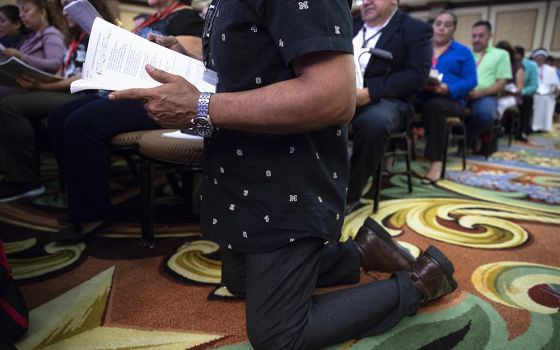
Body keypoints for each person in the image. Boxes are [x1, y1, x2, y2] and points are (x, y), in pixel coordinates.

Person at [110, 0, 458, 349]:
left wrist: (202, 107)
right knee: (240, 279)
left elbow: (333, 96)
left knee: (278, 335)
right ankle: (359, 252)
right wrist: (193, 51)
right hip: (244, 159)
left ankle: (422, 281)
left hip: (288, 173)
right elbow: (259, 46)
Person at [48, 0, 204, 240]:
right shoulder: (158, 17)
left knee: (82, 124)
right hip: (135, 88)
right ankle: (79, 200)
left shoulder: (186, 17)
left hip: (159, 96)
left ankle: (93, 213)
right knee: (60, 116)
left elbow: (190, 67)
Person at [0, 0, 116, 203]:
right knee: (12, 103)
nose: (65, 12)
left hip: (83, 95)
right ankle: (16, 172)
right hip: (68, 90)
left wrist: (42, 87)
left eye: (70, 5)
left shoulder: (96, 35)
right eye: (63, 6)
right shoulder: (74, 38)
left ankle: (24, 180)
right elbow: (64, 73)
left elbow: (84, 78)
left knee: (9, 106)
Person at [346, 0, 432, 212]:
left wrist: (370, 92)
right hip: (343, 96)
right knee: (309, 112)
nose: (365, 2)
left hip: (388, 101)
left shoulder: (415, 30)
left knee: (374, 123)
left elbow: (416, 76)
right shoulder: (349, 24)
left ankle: (350, 195)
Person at [414, 10, 477, 183]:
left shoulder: (463, 52)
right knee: (401, 101)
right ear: (433, 26)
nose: (441, 28)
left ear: (453, 29)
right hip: (422, 93)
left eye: (447, 25)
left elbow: (472, 80)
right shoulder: (422, 47)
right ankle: (394, 150)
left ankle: (436, 161)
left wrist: (449, 88)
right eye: (438, 24)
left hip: (451, 99)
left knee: (434, 107)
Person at [0, 0, 66, 96]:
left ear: (42, 12)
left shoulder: (51, 34)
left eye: (26, 10)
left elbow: (56, 63)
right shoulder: (30, 37)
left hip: (35, 89)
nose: (21, 15)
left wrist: (21, 56)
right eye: (20, 12)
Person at [467, 21, 512, 152]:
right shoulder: (466, 53)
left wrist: (480, 93)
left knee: (485, 114)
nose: (476, 39)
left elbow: (502, 82)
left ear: (490, 36)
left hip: (485, 95)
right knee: (440, 108)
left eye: (481, 36)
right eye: (474, 36)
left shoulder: (501, 54)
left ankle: (466, 140)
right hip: (463, 92)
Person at [531, 48, 560, 132]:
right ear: (535, 58)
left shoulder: (550, 69)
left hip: (548, 92)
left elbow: (555, 83)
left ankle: (544, 127)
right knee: (537, 98)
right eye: (539, 58)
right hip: (534, 90)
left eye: (542, 58)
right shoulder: (531, 67)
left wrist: (556, 89)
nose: (540, 60)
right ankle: (534, 126)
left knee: (547, 99)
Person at [494, 41, 524, 121]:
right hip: (497, 94)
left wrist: (506, 90)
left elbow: (519, 88)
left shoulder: (517, 66)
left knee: (500, 104)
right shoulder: (496, 64)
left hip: (512, 96)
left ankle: (497, 127)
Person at [514, 46, 538, 141]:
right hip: (507, 91)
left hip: (523, 92)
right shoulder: (507, 63)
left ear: (521, 55)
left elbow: (534, 85)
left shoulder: (531, 66)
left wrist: (521, 92)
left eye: (515, 54)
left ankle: (522, 130)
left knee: (528, 99)